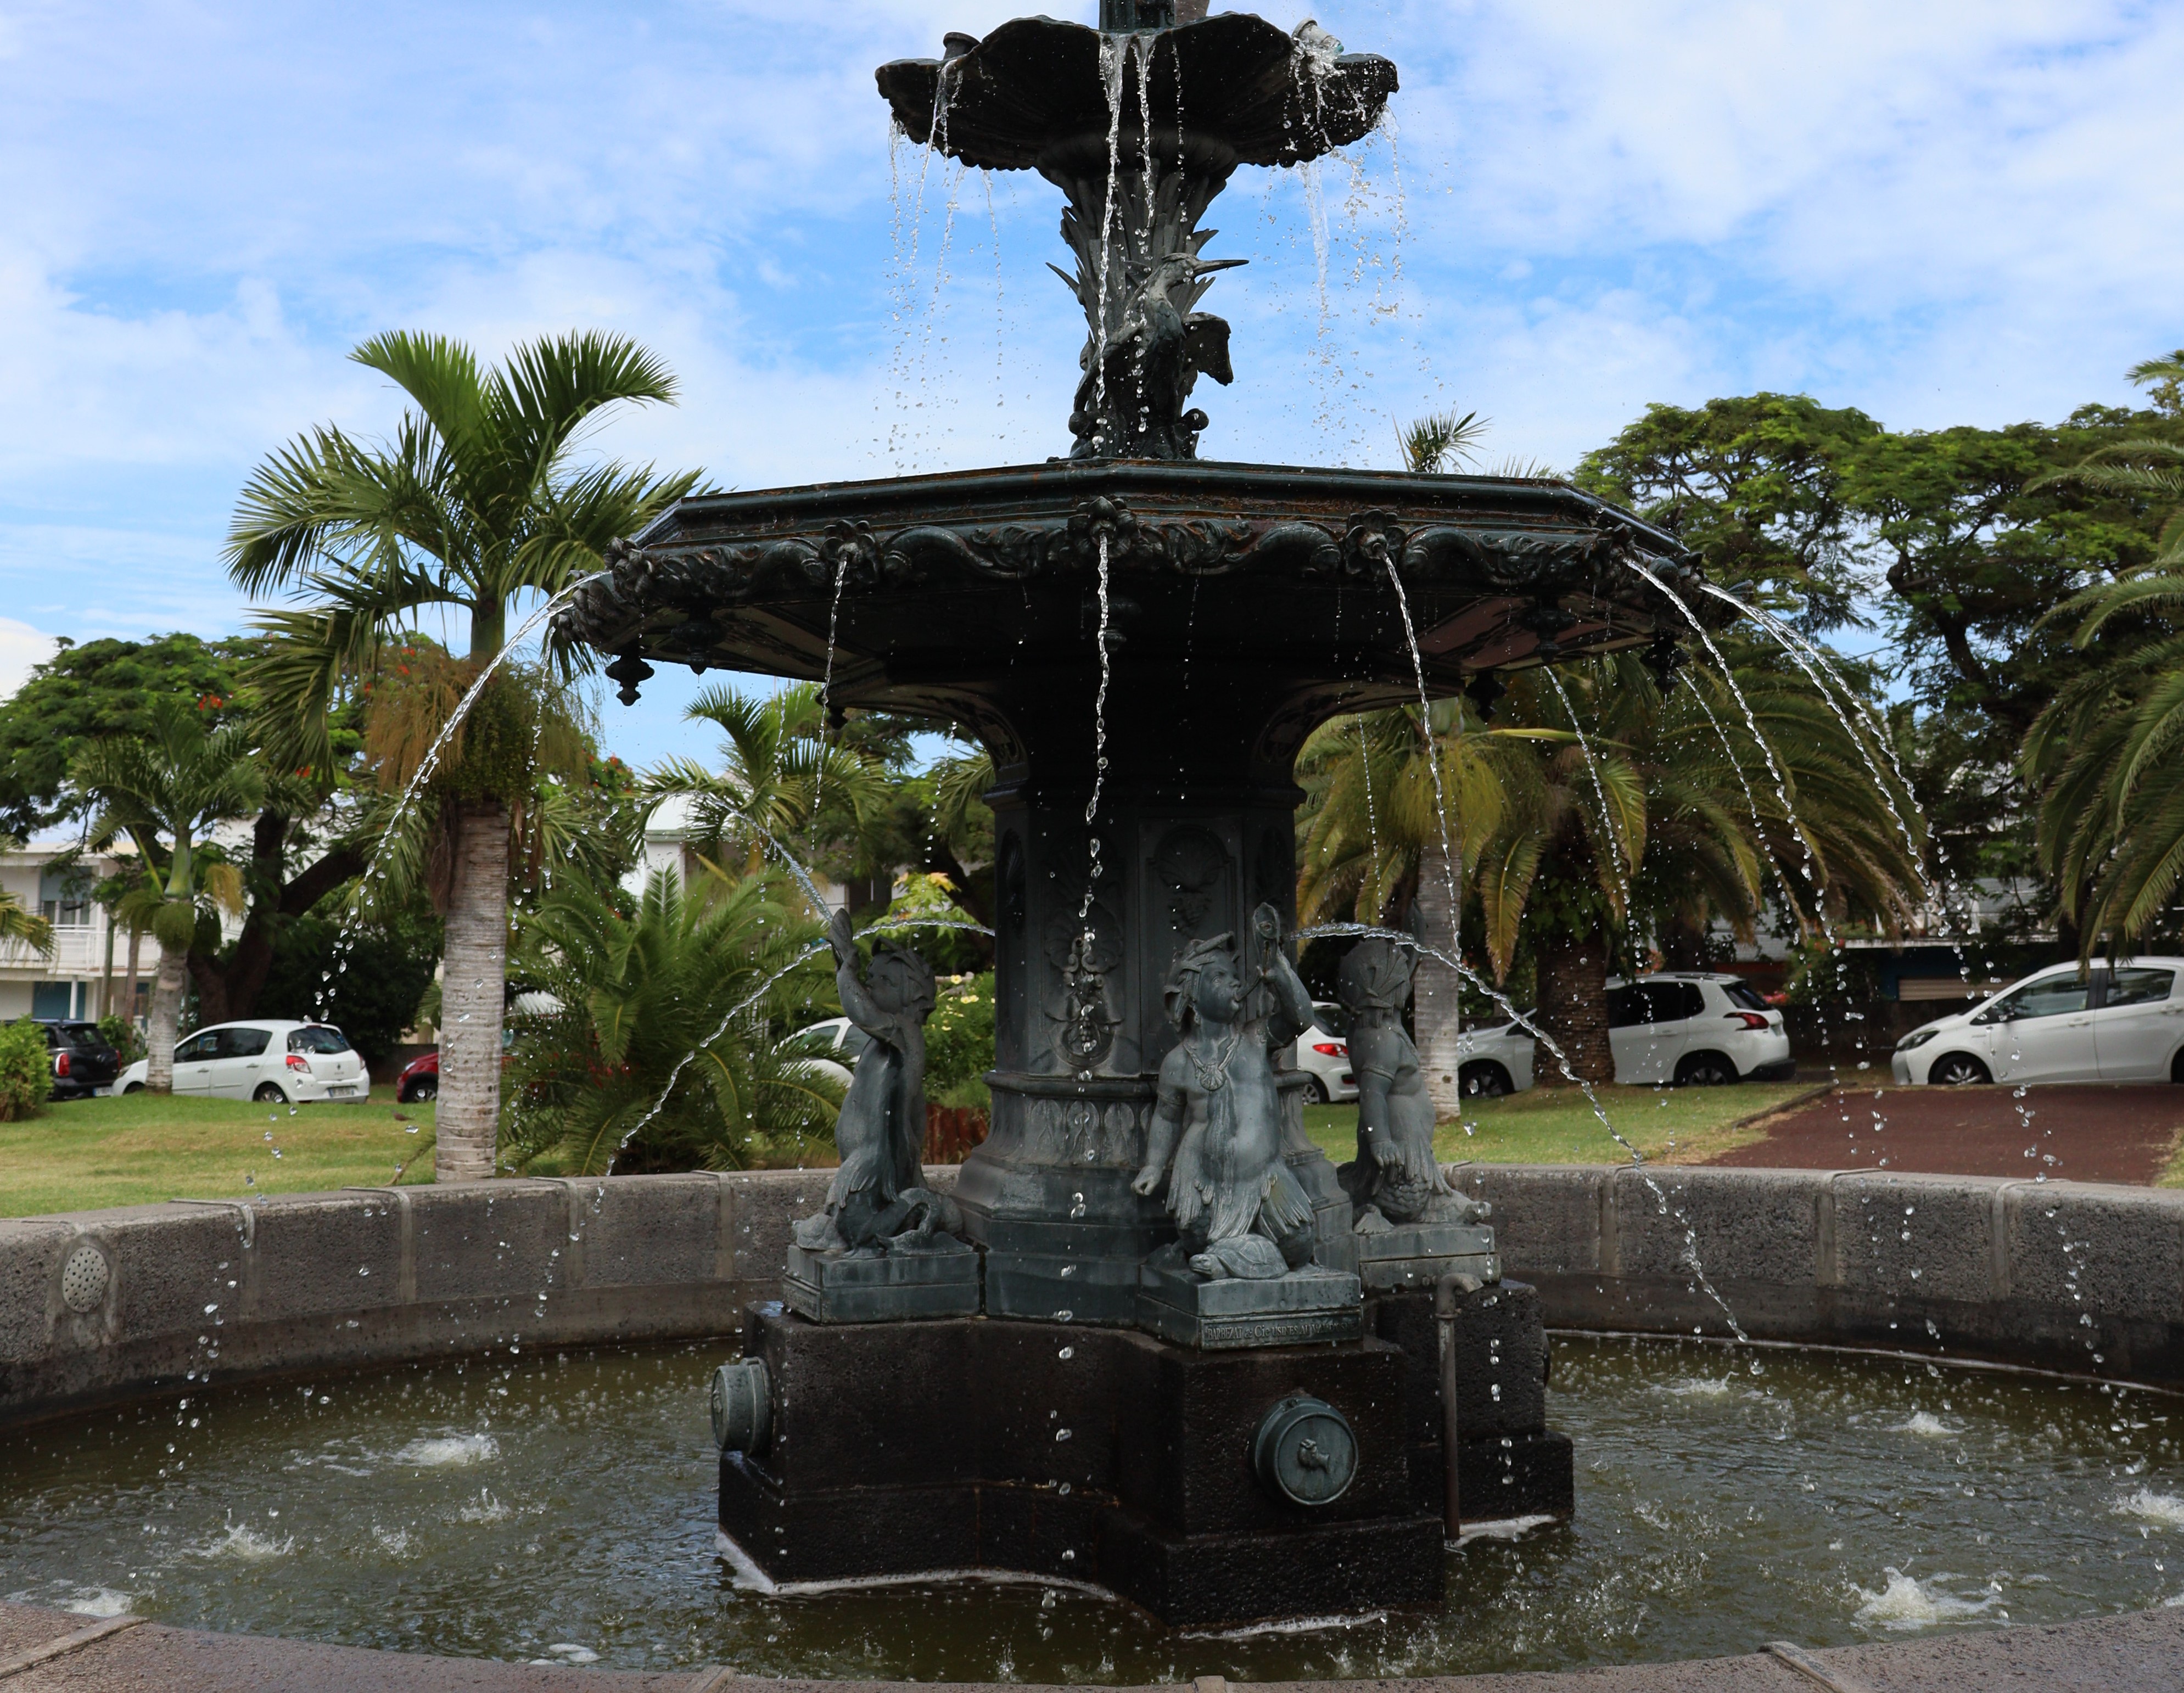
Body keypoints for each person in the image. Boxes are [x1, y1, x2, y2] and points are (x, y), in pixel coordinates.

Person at [1132, 902, 1317, 1279]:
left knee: (1300, 1242)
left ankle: (1228, 1257)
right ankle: (1242, 1257)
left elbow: (1301, 1019)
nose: (1235, 983)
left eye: (1235, 976)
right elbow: (1167, 1117)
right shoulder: (1177, 1062)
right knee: (1197, 1233)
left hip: (1264, 1178)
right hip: (1204, 1182)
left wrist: (1280, 973)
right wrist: (1153, 1165)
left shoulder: (1256, 1038)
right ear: (1193, 996)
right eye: (1220, 977)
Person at [793, 908, 940, 1255]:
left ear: (912, 998)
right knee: (846, 1225)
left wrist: (848, 967)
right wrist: (843, 959)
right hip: (864, 1165)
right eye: (870, 976)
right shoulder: (885, 1040)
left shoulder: (906, 1032)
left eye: (883, 980)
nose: (870, 985)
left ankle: (913, 1209)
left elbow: (860, 1011)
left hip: (877, 1167)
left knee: (857, 1230)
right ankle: (862, 1222)